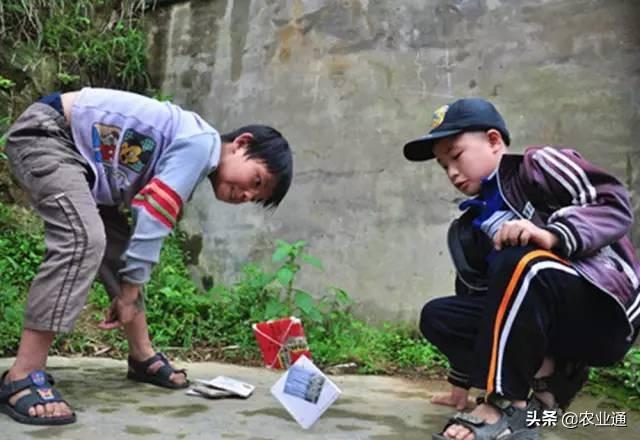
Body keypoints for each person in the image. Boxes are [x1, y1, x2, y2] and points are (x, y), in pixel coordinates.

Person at [0, 88, 293, 425]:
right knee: (84, 238)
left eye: (256, 196)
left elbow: (147, 212)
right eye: (256, 180)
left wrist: (131, 285)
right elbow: (154, 212)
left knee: (123, 249)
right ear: (241, 143)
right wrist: (128, 291)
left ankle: (141, 355)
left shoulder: (194, 147)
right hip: (48, 135)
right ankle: (22, 375)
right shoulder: (202, 144)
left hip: (82, 161)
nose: (246, 194)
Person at [402, 98, 640, 440]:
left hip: (603, 312)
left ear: (494, 141)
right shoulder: (470, 226)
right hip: (546, 321)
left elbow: (612, 201)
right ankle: (545, 391)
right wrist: (461, 382)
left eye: (456, 156)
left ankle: (503, 406)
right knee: (439, 314)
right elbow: (489, 306)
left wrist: (553, 235)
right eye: (443, 166)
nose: (452, 172)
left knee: (521, 260)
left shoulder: (538, 166)